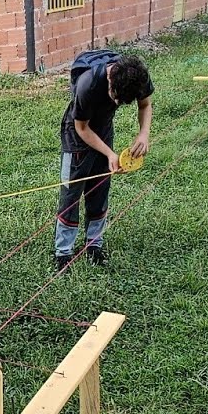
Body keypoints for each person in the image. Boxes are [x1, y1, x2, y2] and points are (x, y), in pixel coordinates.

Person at [55, 50, 154, 270]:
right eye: (115, 97)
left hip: (104, 129)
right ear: (110, 78)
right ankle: (63, 252)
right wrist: (110, 153)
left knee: (99, 189)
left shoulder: (138, 76)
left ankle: (94, 245)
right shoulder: (87, 84)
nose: (116, 102)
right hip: (76, 134)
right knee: (71, 193)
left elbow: (145, 105)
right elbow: (82, 128)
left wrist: (144, 134)